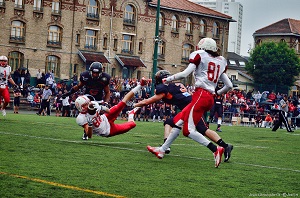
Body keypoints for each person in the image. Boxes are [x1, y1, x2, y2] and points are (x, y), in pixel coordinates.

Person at [146, 38, 233, 167]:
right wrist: (217, 93)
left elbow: (185, 74)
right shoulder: (220, 61)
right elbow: (229, 85)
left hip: (200, 95)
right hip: (208, 97)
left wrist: (168, 80)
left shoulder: (200, 56)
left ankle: (216, 150)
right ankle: (162, 150)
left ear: (202, 47)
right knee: (178, 122)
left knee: (188, 131)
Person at [76, 78, 146, 140]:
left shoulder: (93, 104)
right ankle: (131, 114)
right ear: (81, 107)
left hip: (105, 117)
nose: (88, 104)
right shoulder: (81, 118)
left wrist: (101, 107)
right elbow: (90, 135)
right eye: (85, 104)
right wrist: (90, 124)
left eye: (88, 102)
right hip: (107, 130)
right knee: (132, 125)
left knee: (122, 103)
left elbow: (108, 111)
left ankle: (140, 85)